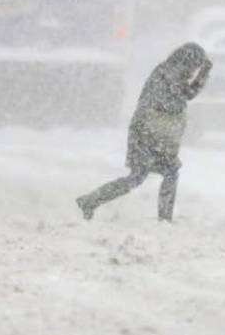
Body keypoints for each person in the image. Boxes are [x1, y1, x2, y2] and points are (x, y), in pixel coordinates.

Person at [76, 42, 212, 222]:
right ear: (189, 61)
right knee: (154, 174)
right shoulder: (169, 73)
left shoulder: (168, 71)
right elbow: (184, 96)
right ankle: (163, 218)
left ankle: (91, 200)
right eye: (196, 65)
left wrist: (202, 75)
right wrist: (203, 75)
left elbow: (185, 94)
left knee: (144, 176)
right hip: (148, 134)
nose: (195, 70)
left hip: (152, 133)